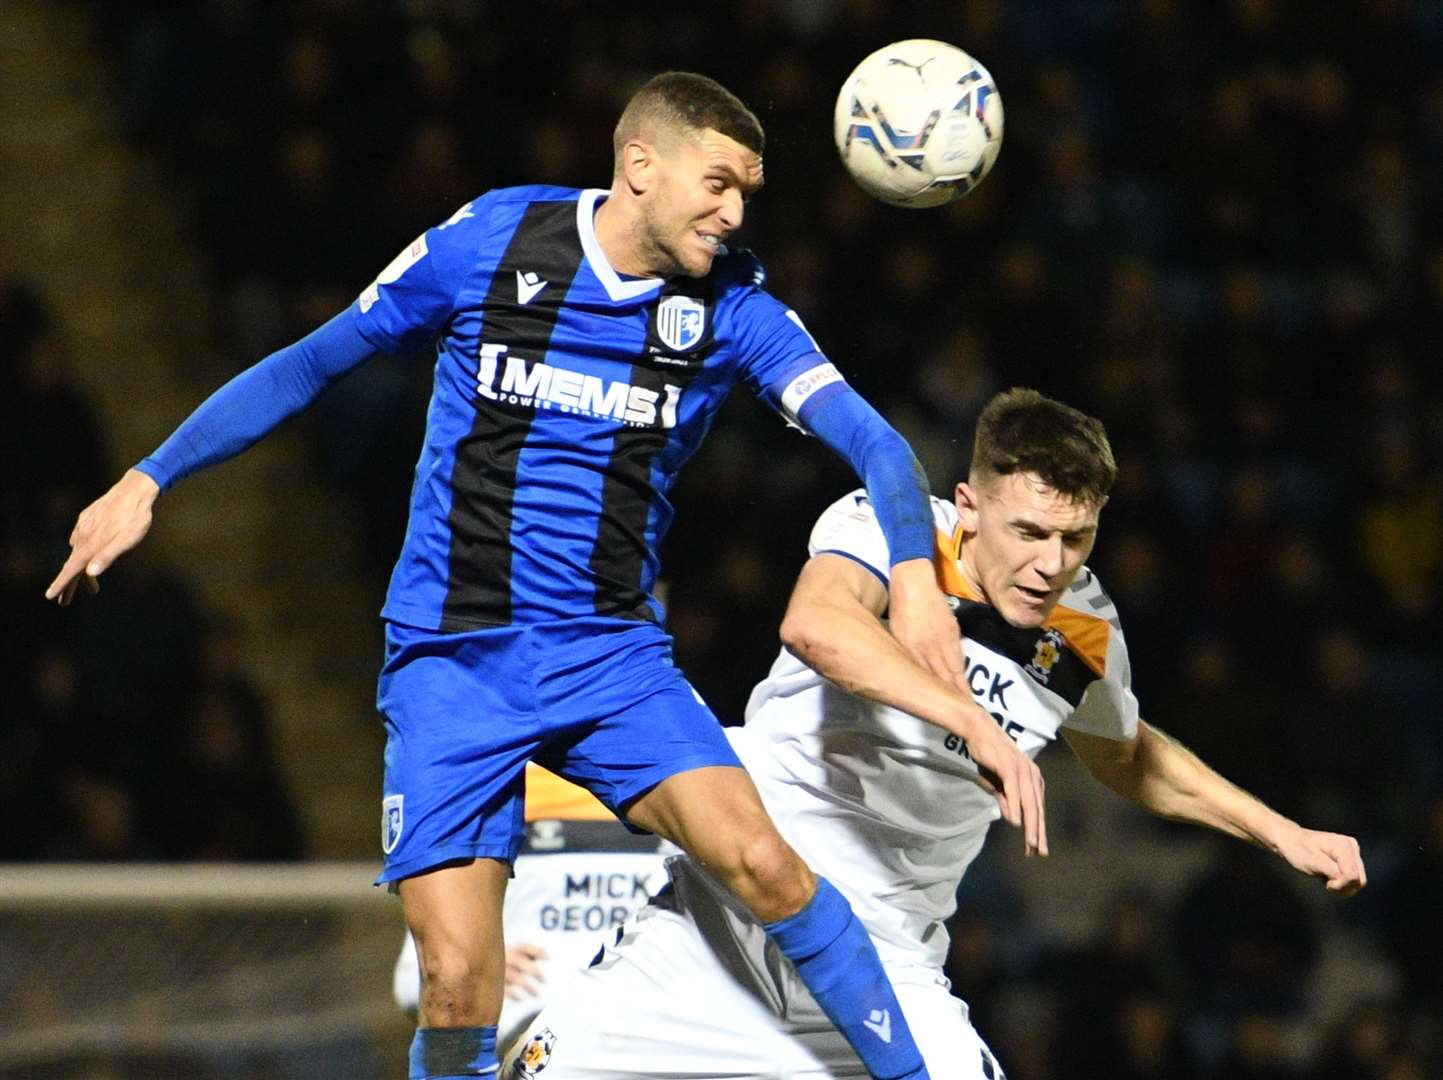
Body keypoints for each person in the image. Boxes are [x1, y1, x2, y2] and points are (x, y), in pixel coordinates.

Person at [46, 72, 1048, 1080]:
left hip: (609, 660)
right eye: (718, 184)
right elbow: (313, 362)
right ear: (639, 165)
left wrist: (914, 574)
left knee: (766, 867)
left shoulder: (734, 309)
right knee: (453, 977)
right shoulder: (487, 242)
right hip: (453, 662)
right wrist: (151, 474)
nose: (735, 212)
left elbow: (877, 446)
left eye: (748, 192)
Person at [503, 387, 1366, 1079]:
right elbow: (817, 625)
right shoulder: (894, 528)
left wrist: (1280, 832)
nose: (1047, 562)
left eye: (1074, 537)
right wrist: (973, 724)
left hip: (884, 956)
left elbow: (1131, 756)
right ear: (967, 506)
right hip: (719, 920)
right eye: (1027, 531)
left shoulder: (1084, 627)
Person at [392, 763, 675, 1053]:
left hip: (651, 1030)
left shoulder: (678, 767)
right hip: (529, 1032)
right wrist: (471, 960)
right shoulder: (486, 775)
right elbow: (412, 974)